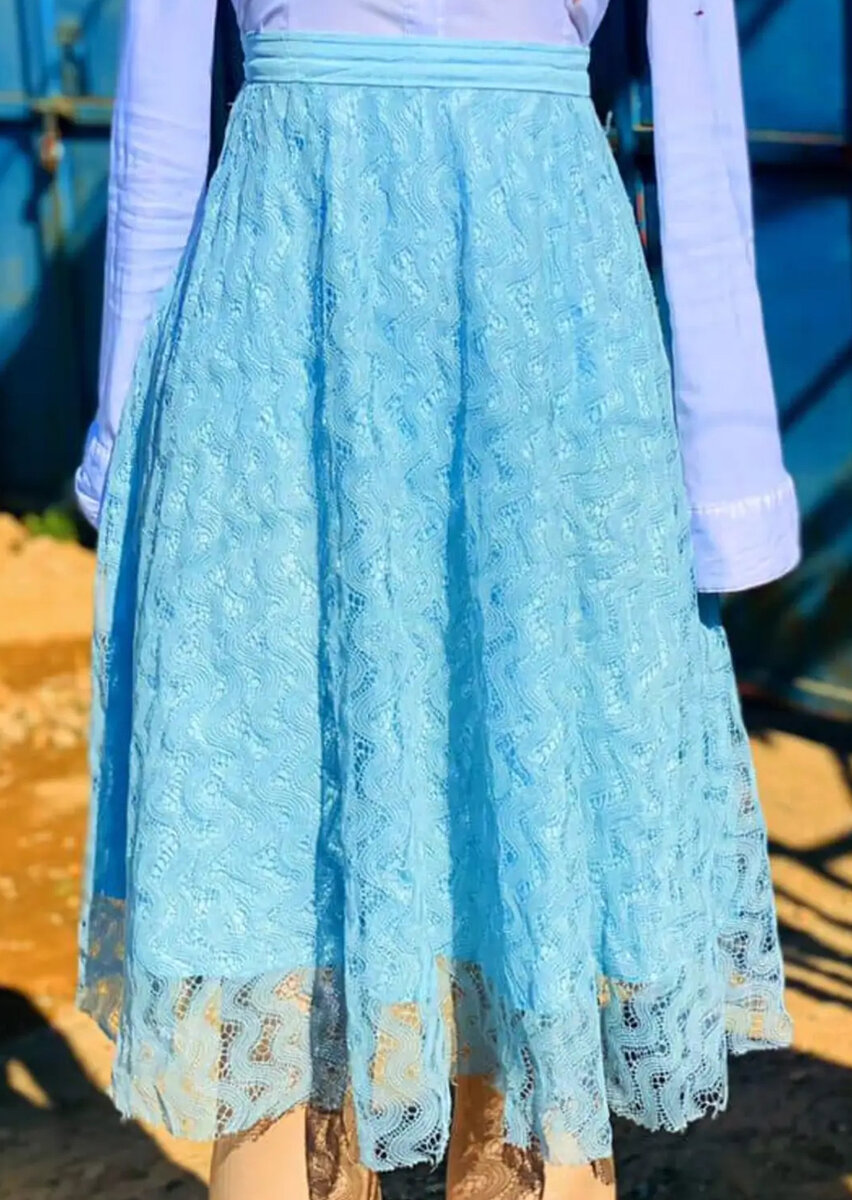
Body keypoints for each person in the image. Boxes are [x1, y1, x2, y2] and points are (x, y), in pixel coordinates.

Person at [74, 2, 801, 1198]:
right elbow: (157, 114)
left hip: (365, 304)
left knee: (327, 890)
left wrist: (128, 448)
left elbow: (155, 134)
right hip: (471, 303)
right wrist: (729, 483)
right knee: (431, 884)